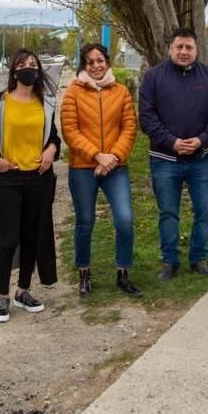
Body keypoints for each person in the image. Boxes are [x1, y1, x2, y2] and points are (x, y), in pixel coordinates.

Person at [0, 49, 60, 323]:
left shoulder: (45, 103)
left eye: (33, 65)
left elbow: (53, 138)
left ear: (39, 71)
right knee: (9, 239)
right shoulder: (0, 103)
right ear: (13, 71)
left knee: (31, 236)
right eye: (22, 65)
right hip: (9, 179)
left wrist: (51, 151)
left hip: (38, 179)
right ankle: (1, 297)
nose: (28, 69)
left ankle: (23, 291)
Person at [139, 27, 208, 280]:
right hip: (165, 159)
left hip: (201, 159)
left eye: (188, 47)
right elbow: (147, 117)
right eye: (179, 46)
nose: (183, 51)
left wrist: (201, 140)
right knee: (168, 212)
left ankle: (198, 258)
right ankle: (170, 261)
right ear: (170, 48)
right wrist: (172, 142)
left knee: (206, 211)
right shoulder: (153, 77)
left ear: (196, 49)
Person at [60, 43, 141, 298]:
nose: (96, 66)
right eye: (90, 62)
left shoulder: (121, 91)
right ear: (84, 65)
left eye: (99, 60)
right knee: (85, 221)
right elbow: (70, 131)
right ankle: (84, 273)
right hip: (83, 167)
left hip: (116, 167)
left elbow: (129, 128)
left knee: (125, 219)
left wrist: (113, 157)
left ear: (107, 62)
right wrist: (97, 155)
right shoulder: (73, 92)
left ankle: (123, 273)